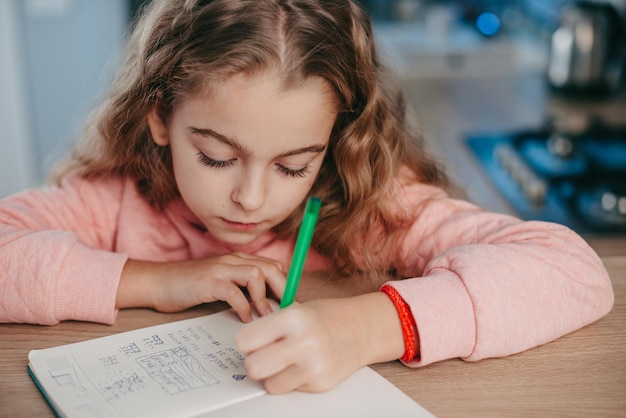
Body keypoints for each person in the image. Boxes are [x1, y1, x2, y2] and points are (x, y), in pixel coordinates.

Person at [0, 0, 614, 395]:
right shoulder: (117, 200)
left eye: (294, 165)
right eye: (216, 157)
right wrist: (158, 280)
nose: (251, 197)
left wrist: (370, 326)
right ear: (160, 117)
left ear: (333, 141)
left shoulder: (368, 208)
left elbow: (573, 270)